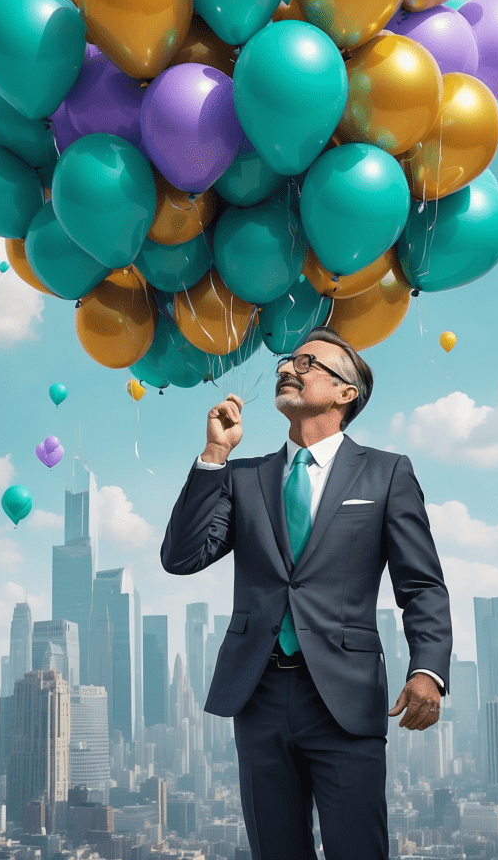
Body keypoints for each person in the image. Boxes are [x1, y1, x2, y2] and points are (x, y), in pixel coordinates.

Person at [160, 326, 452, 860]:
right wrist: (212, 456)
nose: (286, 367)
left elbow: (422, 583)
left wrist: (427, 668)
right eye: (286, 361)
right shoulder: (240, 478)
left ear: (347, 393)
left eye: (307, 362)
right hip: (258, 692)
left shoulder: (387, 473)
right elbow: (180, 559)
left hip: (346, 696)